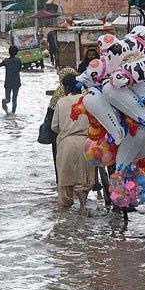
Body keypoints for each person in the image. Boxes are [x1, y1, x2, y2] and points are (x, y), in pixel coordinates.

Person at [51, 73, 95, 212]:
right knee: (84, 177)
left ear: (66, 87)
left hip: (66, 143)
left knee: (65, 179)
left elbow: (54, 126)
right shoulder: (88, 100)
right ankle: (83, 205)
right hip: (86, 143)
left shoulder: (61, 102)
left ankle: (65, 213)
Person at [47, 67, 78, 183]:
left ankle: (60, 182)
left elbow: (52, 122)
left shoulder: (57, 97)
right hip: (83, 136)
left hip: (60, 137)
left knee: (60, 164)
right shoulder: (84, 94)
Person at [0, 46, 22, 115]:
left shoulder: (6, 61)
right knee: (14, 99)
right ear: (16, 53)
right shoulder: (18, 60)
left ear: (9, 52)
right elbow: (19, 69)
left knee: (8, 99)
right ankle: (13, 114)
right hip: (16, 82)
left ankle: (4, 102)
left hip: (8, 82)